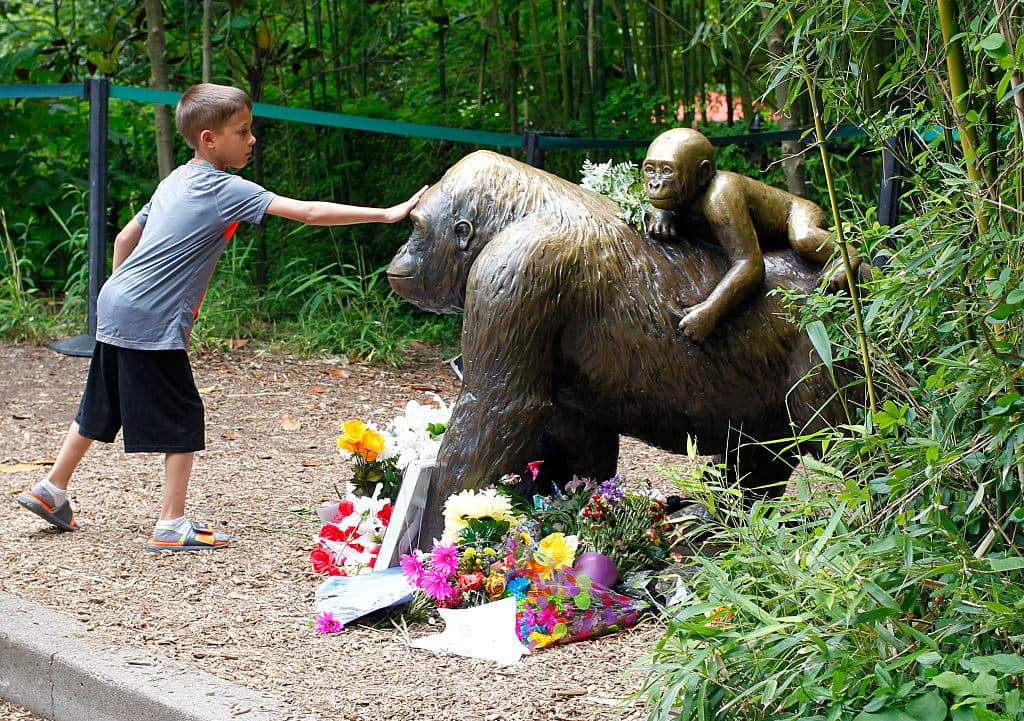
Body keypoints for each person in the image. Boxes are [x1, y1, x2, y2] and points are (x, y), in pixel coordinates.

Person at [16, 83, 427, 551]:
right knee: (184, 415)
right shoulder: (224, 188)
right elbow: (309, 212)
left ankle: (51, 489)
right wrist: (388, 214)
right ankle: (171, 524)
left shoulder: (175, 179)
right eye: (243, 132)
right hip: (148, 319)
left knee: (100, 404)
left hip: (116, 304)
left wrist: (122, 293)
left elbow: (124, 239)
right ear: (209, 139)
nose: (252, 141)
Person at [641, 127, 860, 343]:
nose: (655, 182)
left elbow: (750, 265)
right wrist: (662, 213)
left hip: (796, 214)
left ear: (703, 173)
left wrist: (711, 310)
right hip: (758, 229)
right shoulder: (684, 194)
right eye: (650, 170)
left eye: (667, 171)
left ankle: (847, 254)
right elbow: (667, 204)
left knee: (802, 238)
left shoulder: (720, 196)